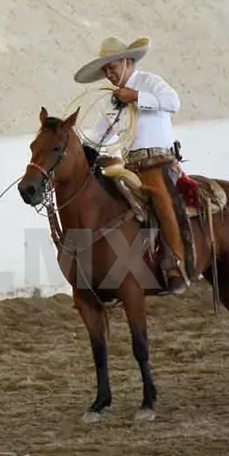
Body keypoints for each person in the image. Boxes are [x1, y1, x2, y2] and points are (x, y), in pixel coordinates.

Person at [74, 36, 191, 295]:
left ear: (127, 62)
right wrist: (80, 150)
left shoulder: (150, 83)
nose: (109, 74)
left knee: (162, 200)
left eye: (112, 67)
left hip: (159, 161)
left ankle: (176, 265)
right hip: (131, 167)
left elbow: (174, 102)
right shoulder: (111, 102)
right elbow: (98, 134)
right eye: (105, 70)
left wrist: (136, 96)